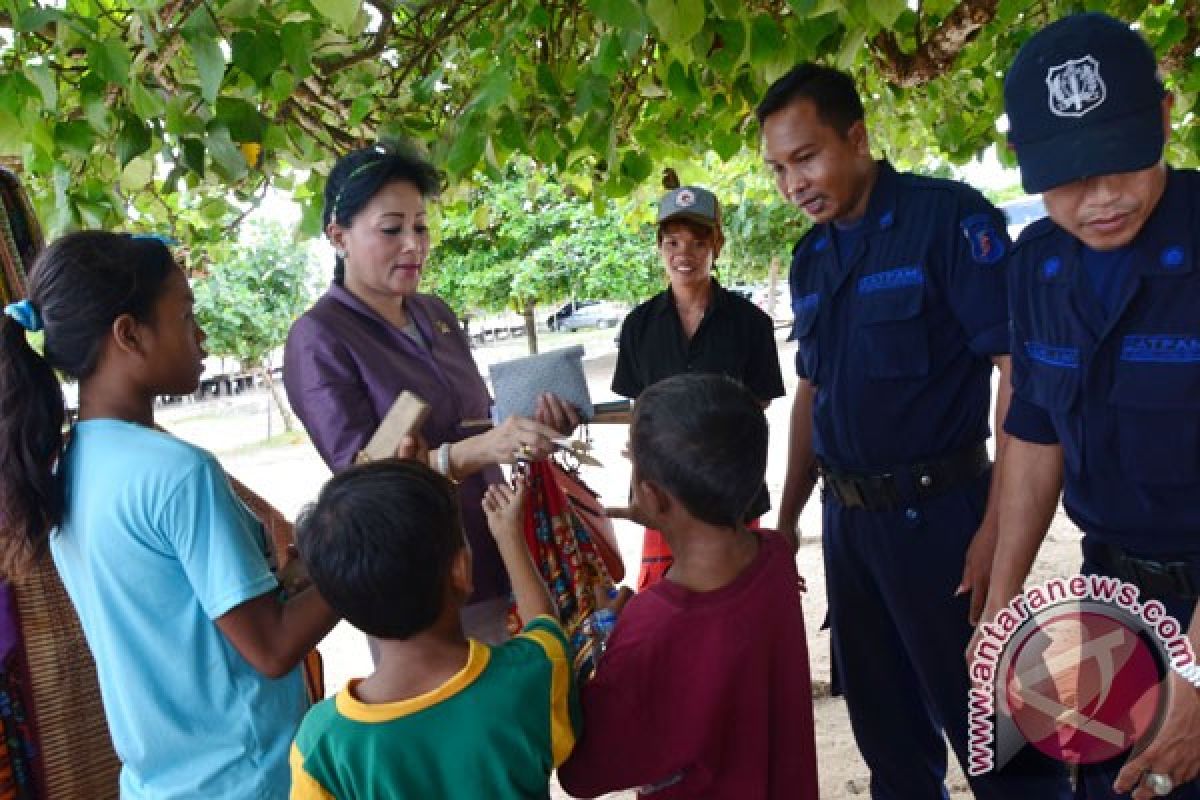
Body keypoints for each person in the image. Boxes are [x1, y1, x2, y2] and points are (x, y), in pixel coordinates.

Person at [758, 64, 1071, 798]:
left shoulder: (949, 221)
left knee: (1002, 738)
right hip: (850, 530)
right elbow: (813, 391)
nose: (793, 184)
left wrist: (996, 530)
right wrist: (789, 520)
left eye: (806, 158)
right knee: (888, 739)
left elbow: (1014, 371)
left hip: (942, 519)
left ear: (858, 138)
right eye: (778, 170)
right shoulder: (813, 257)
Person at [0, 232, 339, 798]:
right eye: (186, 314)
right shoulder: (179, 473)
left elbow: (186, 621)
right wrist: (369, 558)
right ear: (128, 333)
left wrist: (301, 573)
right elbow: (273, 648)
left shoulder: (70, 466)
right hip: (249, 779)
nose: (201, 335)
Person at [983, 12, 1200, 799]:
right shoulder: (1036, 264)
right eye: (1069, 175)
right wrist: (1000, 610)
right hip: (1113, 595)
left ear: (1167, 116)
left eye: (1121, 161)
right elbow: (1036, 432)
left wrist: (1197, 679)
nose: (1101, 197)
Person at [284, 142, 577, 644]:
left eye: (420, 226)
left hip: (504, 549)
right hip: (421, 581)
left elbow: (476, 418)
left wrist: (531, 426)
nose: (413, 244)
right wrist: (474, 452)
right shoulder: (318, 337)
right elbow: (362, 483)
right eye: (391, 228)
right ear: (339, 236)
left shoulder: (434, 313)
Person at [557, 373, 817, 799]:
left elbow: (583, 775)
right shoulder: (773, 558)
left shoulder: (650, 624)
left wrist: (593, 648)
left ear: (653, 496)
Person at [288, 459, 577, 799]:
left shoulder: (321, 746)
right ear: (461, 570)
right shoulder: (530, 675)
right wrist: (509, 538)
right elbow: (545, 631)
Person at [611, 182, 784, 590]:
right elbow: (639, 412)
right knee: (667, 604)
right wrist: (640, 482)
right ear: (659, 247)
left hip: (732, 499)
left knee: (736, 606)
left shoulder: (750, 324)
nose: (683, 254)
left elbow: (755, 413)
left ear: (717, 245)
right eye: (672, 242)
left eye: (697, 242)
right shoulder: (638, 326)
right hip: (661, 497)